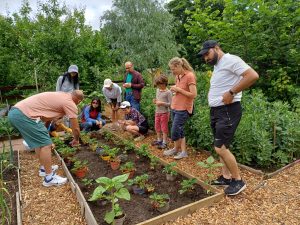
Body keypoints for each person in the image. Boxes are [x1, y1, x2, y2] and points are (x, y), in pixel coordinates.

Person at [198, 40, 259, 196]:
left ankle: (238, 181)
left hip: (227, 110)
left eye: (207, 53)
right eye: (204, 56)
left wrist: (231, 92)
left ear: (217, 48)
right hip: (217, 111)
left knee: (220, 147)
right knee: (223, 146)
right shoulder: (218, 65)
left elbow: (252, 75)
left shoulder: (231, 59)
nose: (206, 58)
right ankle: (226, 177)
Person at [8, 90, 84, 187]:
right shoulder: (70, 103)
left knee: (40, 143)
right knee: (46, 144)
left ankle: (44, 169)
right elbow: (76, 128)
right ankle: (49, 178)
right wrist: (76, 139)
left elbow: (48, 119)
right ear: (78, 100)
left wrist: (46, 134)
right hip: (25, 115)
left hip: (16, 112)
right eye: (79, 102)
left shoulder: (61, 95)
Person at [163, 57, 197, 160]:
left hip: (184, 108)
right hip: (175, 106)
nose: (172, 71)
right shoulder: (178, 76)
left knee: (175, 131)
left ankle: (176, 148)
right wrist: (175, 90)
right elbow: (181, 90)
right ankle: (181, 151)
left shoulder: (189, 76)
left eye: (173, 69)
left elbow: (193, 94)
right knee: (180, 130)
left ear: (179, 66)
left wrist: (178, 90)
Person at [151, 74, 172, 149]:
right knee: (157, 126)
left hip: (164, 113)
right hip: (157, 112)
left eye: (159, 84)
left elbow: (171, 104)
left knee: (164, 128)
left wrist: (162, 103)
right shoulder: (157, 90)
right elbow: (158, 100)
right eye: (157, 85)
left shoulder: (168, 92)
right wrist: (155, 101)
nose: (158, 86)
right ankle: (159, 140)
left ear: (164, 83)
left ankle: (164, 142)